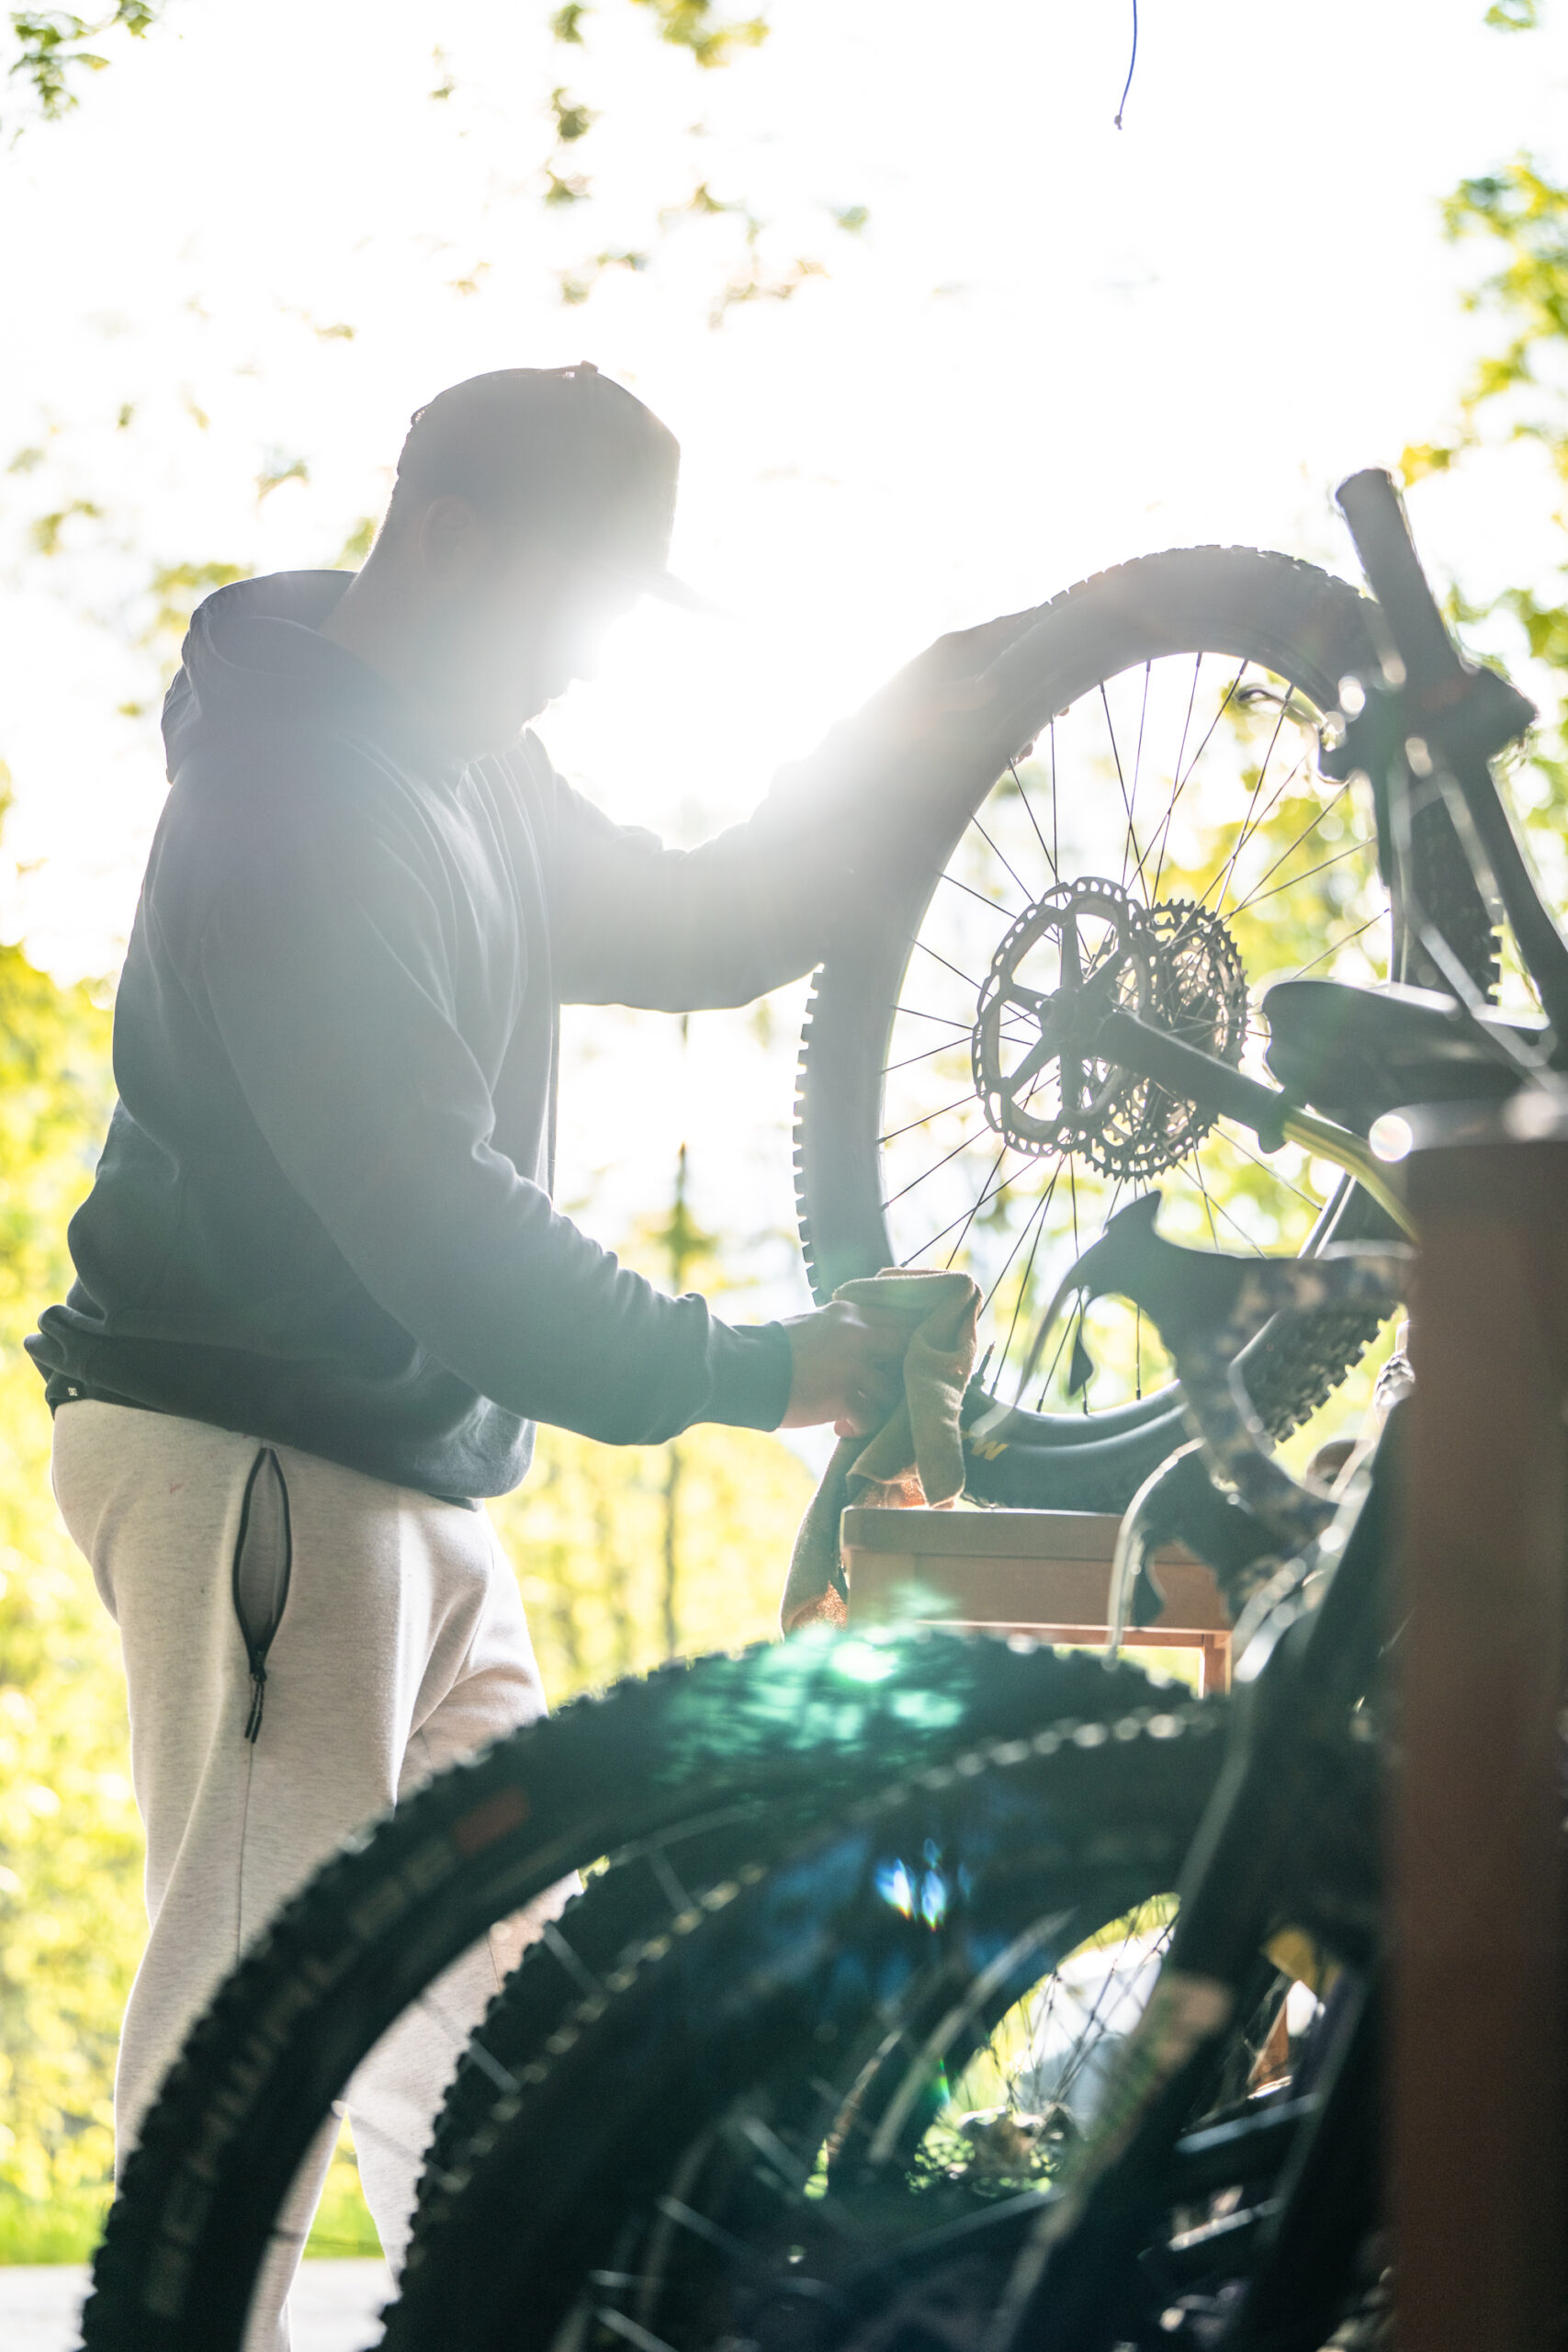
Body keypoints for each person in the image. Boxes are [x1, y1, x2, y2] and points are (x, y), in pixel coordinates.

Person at [30, 363, 1026, 2344]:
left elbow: (694, 919)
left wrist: (913, 745)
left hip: (406, 1462)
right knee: (255, 2028)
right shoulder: (297, 801)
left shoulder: (461, 747)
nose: (582, 671)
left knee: (495, 2023)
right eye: (578, 607)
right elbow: (439, 1220)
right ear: (455, 537)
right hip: (259, 1455)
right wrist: (770, 1368)